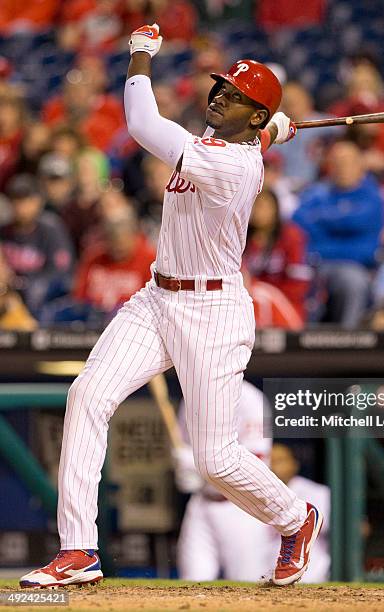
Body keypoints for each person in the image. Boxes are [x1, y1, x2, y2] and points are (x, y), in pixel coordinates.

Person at [20, 24, 322, 589]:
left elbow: (141, 124)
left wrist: (139, 55)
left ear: (253, 116)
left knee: (214, 459)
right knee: (87, 394)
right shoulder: (240, 145)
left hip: (213, 312)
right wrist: (265, 130)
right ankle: (78, 550)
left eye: (234, 96)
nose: (218, 96)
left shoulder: (231, 163)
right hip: (157, 299)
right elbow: (234, 140)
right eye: (220, 88)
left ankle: (294, 518)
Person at [175, 380, 272, 581]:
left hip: (242, 507)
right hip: (202, 503)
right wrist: (184, 468)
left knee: (247, 583)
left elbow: (255, 461)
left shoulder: (250, 399)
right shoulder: (191, 398)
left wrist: (196, 467)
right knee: (192, 582)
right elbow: (183, 447)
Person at [294, 140, 384, 328]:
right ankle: (300, 343)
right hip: (315, 264)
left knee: (353, 282)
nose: (341, 168)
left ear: (360, 165)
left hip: (355, 266)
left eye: (347, 162)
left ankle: (348, 342)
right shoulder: (317, 192)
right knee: (296, 277)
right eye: (336, 163)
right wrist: (343, 225)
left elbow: (366, 248)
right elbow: (298, 221)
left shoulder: (373, 196)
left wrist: (322, 221)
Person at [0, 174, 74, 318]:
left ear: (38, 201)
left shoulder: (51, 229)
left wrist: (22, 283)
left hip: (45, 301)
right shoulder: (3, 232)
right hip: (10, 296)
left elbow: (61, 273)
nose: (20, 206)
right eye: (16, 200)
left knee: (37, 291)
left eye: (25, 200)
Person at [243, 188, 311, 329]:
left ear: (275, 209)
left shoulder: (291, 236)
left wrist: (268, 291)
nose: (258, 211)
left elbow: (300, 283)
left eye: (263, 206)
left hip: (286, 302)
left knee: (259, 295)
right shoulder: (241, 238)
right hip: (252, 300)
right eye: (254, 206)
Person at [72, 208, 156, 317]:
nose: (118, 247)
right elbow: (79, 297)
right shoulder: (93, 258)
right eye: (113, 241)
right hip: (91, 319)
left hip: (133, 319)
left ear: (134, 237)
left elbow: (153, 301)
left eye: (122, 241)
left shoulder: (150, 259)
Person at [268, 444, 330, 583]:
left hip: (312, 573)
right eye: (269, 461)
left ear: (294, 465)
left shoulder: (318, 492)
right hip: (265, 568)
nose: (273, 466)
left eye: (280, 460)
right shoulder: (253, 495)